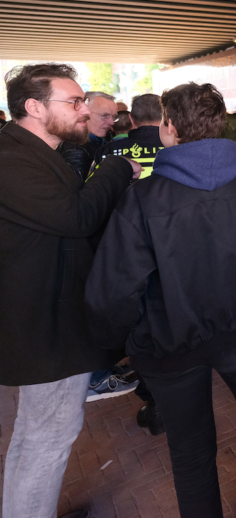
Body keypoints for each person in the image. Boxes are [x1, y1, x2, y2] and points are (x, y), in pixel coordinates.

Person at [85, 82, 236, 518]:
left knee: (191, 449)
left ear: (169, 127)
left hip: (170, 340)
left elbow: (111, 293)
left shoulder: (143, 198)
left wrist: (126, 341)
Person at [0, 64, 140, 518]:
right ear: (34, 107)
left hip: (46, 317)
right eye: (74, 102)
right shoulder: (11, 159)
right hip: (47, 326)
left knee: (33, 437)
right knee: (49, 439)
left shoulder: (34, 153)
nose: (84, 110)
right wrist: (117, 168)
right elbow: (76, 217)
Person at [92, 93, 164, 179]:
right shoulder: (175, 150)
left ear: (131, 119)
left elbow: (94, 184)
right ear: (165, 117)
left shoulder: (106, 151)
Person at [60, 90, 118, 180]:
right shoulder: (75, 149)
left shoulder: (104, 139)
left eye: (114, 117)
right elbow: (78, 187)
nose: (112, 122)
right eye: (105, 116)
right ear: (84, 112)